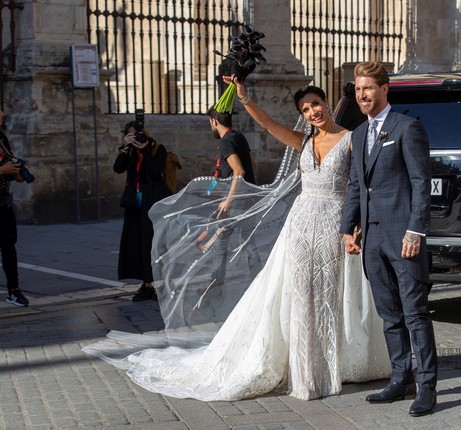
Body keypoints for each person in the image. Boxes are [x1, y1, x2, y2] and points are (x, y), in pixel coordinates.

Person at [83, 77, 390, 401]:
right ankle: (306, 374)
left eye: (316, 104)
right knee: (300, 295)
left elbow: (364, 183)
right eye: (305, 108)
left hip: (333, 223)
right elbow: (269, 125)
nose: (312, 111)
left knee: (331, 293)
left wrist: (356, 224)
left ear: (326, 103)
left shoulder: (352, 139)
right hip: (300, 224)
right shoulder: (303, 141)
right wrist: (245, 99)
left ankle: (333, 365)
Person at [340, 61, 438, 417]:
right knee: (389, 314)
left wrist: (416, 230)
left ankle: (427, 387)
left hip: (403, 237)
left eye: (367, 88)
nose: (361, 95)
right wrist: (346, 229)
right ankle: (401, 378)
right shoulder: (358, 134)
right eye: (357, 90)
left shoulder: (407, 127)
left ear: (384, 89)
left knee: (415, 313)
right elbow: (355, 186)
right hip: (372, 239)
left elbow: (420, 184)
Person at [114, 120, 171, 301]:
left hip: (151, 203)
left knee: (150, 244)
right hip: (133, 203)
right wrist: (125, 147)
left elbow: (156, 173)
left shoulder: (156, 148)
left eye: (138, 134)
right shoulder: (128, 150)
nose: (136, 138)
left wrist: (145, 149)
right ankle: (146, 283)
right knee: (136, 243)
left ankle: (153, 284)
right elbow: (118, 168)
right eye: (131, 135)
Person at [205, 107, 257, 287]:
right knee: (249, 242)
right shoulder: (238, 136)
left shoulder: (225, 141)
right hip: (249, 197)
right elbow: (250, 165)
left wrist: (229, 198)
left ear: (214, 122)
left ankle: (216, 282)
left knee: (220, 240)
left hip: (237, 200)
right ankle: (258, 280)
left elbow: (239, 171)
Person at [0, 109, 30, 307]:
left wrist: (16, 174)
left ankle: (13, 290)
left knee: (9, 247)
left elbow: (7, 166)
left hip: (3, 202)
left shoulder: (1, 138)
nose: (2, 114)